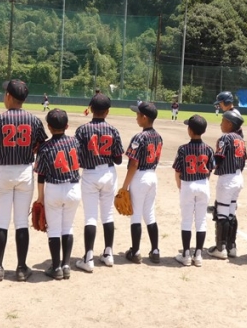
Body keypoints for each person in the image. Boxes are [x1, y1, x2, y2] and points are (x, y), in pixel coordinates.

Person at [0, 79, 47, 282]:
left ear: (9, 96)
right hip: (25, 172)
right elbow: (41, 147)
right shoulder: (34, 120)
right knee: (21, 221)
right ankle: (21, 268)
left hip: (3, 171)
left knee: (1, 221)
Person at [74, 93, 124, 273]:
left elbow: (77, 157)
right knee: (108, 214)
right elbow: (118, 159)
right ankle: (108, 254)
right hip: (108, 172)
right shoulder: (113, 130)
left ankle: (88, 258)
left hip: (90, 173)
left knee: (90, 216)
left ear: (91, 109)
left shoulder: (82, 130)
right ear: (107, 111)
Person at [33, 109, 82, 280]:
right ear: (67, 126)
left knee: (53, 229)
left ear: (49, 127)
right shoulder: (75, 142)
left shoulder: (45, 147)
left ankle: (56, 268)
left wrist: (40, 197)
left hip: (53, 189)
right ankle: (66, 265)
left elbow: (41, 175)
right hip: (73, 189)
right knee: (68, 227)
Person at [121, 102, 162, 264]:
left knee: (136, 214)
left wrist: (125, 186)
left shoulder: (139, 137)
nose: (136, 117)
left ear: (144, 117)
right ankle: (155, 250)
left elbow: (133, 164)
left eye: (138, 114)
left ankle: (136, 251)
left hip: (140, 177)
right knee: (149, 213)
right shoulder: (158, 137)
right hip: (152, 176)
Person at [172, 115, 214, 267]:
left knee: (187, 220)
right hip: (203, 184)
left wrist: (180, 185)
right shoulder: (208, 149)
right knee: (201, 220)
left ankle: (186, 255)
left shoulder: (183, 149)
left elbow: (177, 170)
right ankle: (198, 255)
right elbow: (210, 169)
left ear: (190, 130)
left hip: (188, 184)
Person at [208, 110, 246, 260]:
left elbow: (218, 158)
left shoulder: (225, 138)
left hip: (227, 179)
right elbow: (243, 160)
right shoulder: (240, 139)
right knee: (231, 213)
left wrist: (207, 167)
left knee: (222, 213)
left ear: (230, 124)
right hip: (238, 177)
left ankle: (221, 248)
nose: (221, 124)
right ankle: (232, 247)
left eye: (223, 121)